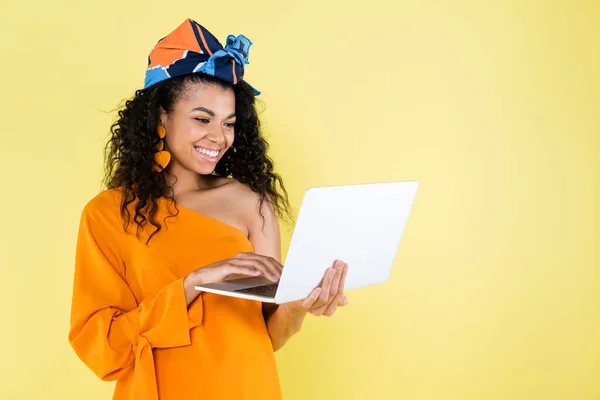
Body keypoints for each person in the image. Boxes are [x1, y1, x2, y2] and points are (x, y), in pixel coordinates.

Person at [68, 18, 349, 400]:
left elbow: (268, 335)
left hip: (249, 386)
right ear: (161, 118)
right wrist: (192, 283)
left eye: (229, 123)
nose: (218, 138)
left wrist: (297, 307)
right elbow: (103, 349)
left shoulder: (254, 205)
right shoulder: (108, 214)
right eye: (202, 119)